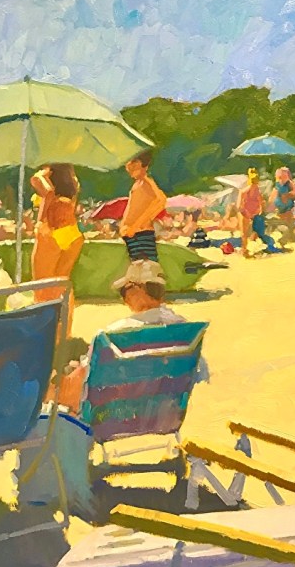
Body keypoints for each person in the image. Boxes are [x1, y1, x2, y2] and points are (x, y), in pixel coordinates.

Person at [57, 259, 186, 411]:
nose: (124, 298)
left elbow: (83, 380)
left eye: (125, 291)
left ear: (137, 290)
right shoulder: (184, 329)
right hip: (164, 412)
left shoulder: (116, 334)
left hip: (110, 413)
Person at [30, 164, 84, 335]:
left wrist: (40, 221)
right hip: (72, 233)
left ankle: (45, 332)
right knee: (62, 284)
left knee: (42, 286)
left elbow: (48, 192)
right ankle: (64, 332)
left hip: (51, 231)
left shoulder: (45, 177)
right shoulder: (71, 181)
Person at [120, 151, 166, 262]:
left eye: (130, 163)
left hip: (140, 233)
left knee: (145, 266)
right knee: (138, 265)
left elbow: (161, 200)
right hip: (134, 233)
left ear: (138, 164)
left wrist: (137, 225)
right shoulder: (138, 184)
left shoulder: (146, 182)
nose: (127, 167)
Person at [237, 168, 279, 256]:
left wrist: (259, 210)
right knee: (244, 233)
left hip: (253, 214)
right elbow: (239, 207)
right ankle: (244, 249)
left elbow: (261, 202)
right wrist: (248, 213)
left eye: (256, 183)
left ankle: (250, 247)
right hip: (245, 213)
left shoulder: (256, 191)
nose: (255, 185)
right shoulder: (244, 192)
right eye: (254, 183)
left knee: (256, 231)